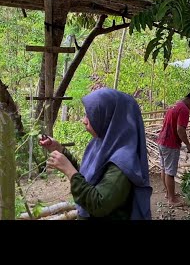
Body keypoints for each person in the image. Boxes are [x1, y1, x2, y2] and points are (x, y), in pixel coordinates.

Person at [39, 88, 152, 220]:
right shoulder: (102, 144)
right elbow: (89, 178)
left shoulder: (123, 162)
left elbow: (99, 204)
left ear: (108, 117)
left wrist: (70, 171)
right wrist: (59, 149)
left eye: (90, 115)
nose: (84, 120)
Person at [156, 92, 190, 205]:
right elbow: (180, 130)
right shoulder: (184, 109)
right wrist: (188, 145)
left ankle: (168, 193)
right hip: (170, 143)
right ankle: (172, 200)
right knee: (170, 172)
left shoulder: (174, 105)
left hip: (162, 140)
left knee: (164, 169)